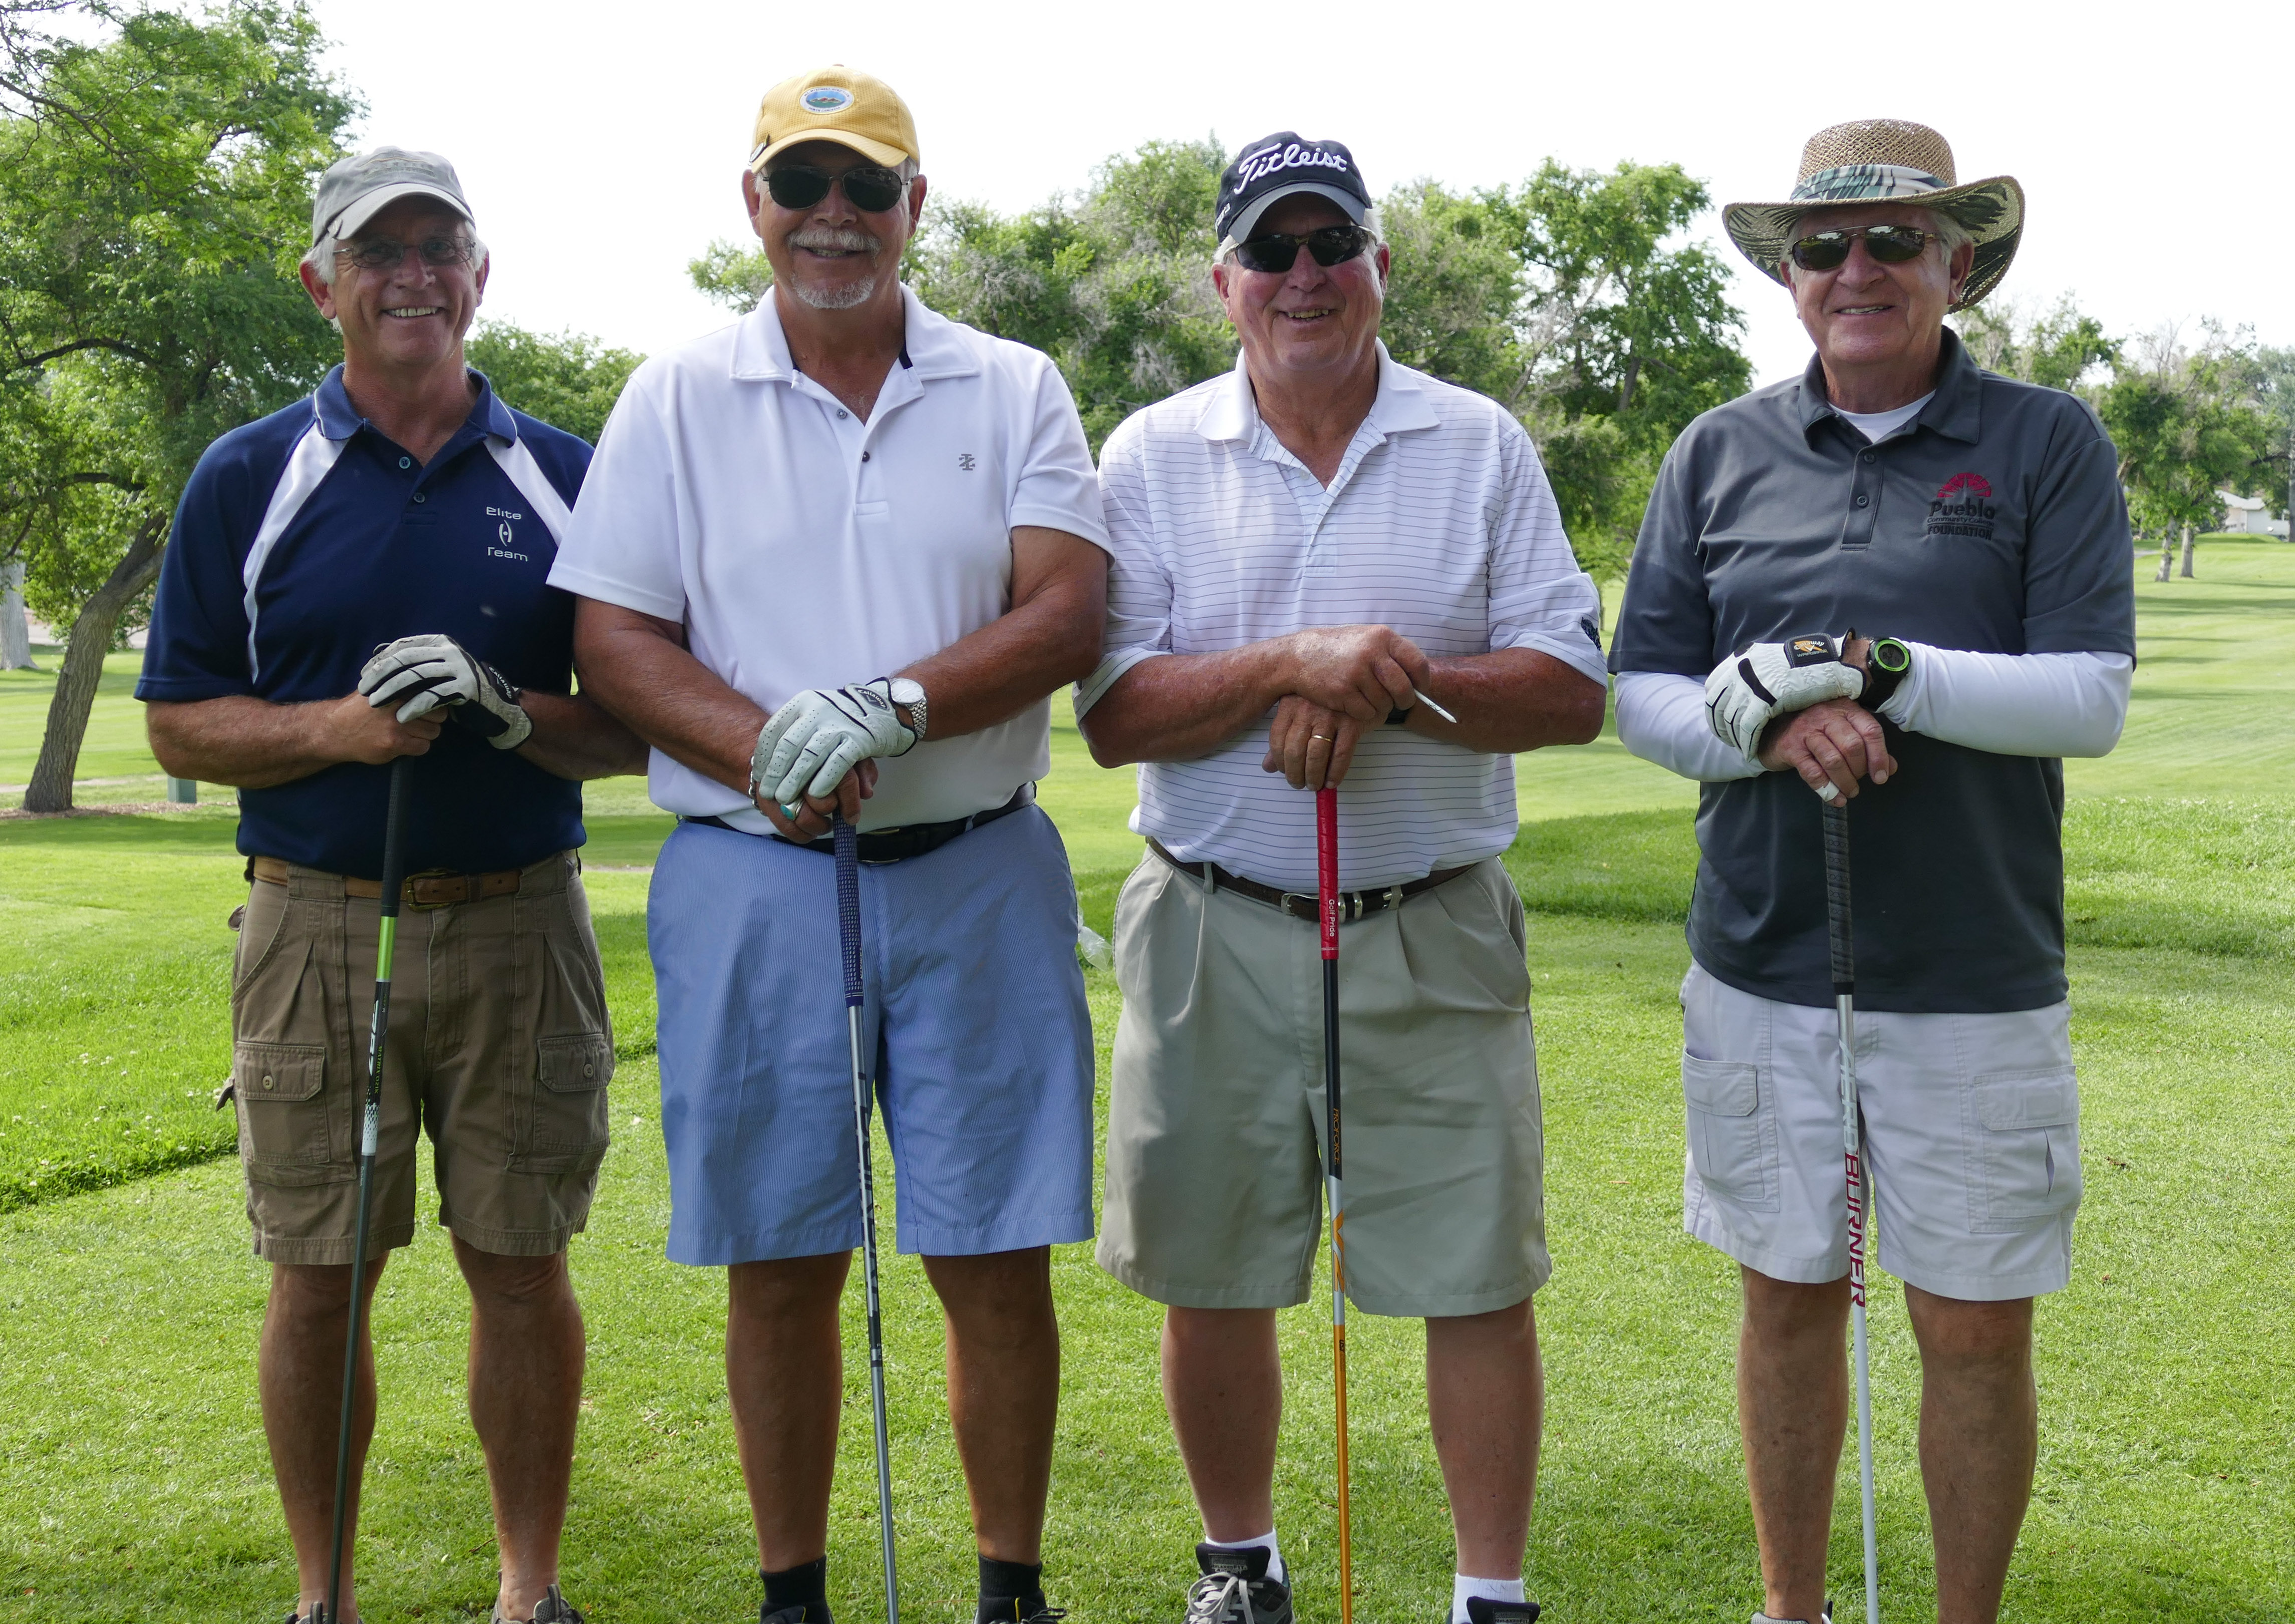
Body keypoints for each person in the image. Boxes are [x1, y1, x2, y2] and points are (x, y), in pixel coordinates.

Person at [548, 66, 1109, 1624]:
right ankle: (792, 1594)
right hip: (752, 873)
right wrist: (765, 745)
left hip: (978, 863)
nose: (834, 218)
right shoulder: (673, 394)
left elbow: (1067, 606)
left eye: (868, 188)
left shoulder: (1012, 384)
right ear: (755, 209)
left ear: (918, 207)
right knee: (781, 1255)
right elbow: (615, 634)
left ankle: (1011, 1589)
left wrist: (898, 706)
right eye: (803, 186)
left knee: (995, 1252)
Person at [1076, 131, 1608, 1624]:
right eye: (1272, 250)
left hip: (1429, 923)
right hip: (1211, 919)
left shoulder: (1479, 441)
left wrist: (1388, 681)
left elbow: (1571, 684)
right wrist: (1288, 665)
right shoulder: (1151, 452)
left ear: (1378, 264)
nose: (1303, 275)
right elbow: (1116, 712)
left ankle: (1489, 1592)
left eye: (1332, 245)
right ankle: (1238, 1564)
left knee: (1472, 1273)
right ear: (1224, 281)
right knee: (1216, 1268)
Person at [1607, 120, 2135, 1624]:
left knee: (1973, 1329)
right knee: (1784, 1305)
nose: (1858, 270)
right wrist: (1768, 725)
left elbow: (2087, 692)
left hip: (1973, 969)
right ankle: (1792, 1609)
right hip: (1763, 957)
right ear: (1788, 275)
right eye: (1825, 246)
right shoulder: (1717, 449)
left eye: (1894, 242)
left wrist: (1884, 674)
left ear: (1957, 261)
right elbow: (1643, 691)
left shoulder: (2046, 441)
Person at [138, 147, 645, 1624]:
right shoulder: (249, 475)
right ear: (323, 283)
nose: (413, 274)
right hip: (312, 920)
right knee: (319, 1274)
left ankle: (528, 1591)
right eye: (380, 251)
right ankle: (324, 1597)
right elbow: (180, 717)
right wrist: (342, 732)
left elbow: (629, 719)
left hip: (519, 917)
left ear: (482, 276)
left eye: (442, 246)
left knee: (524, 1265)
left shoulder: (560, 474)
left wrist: (503, 705)